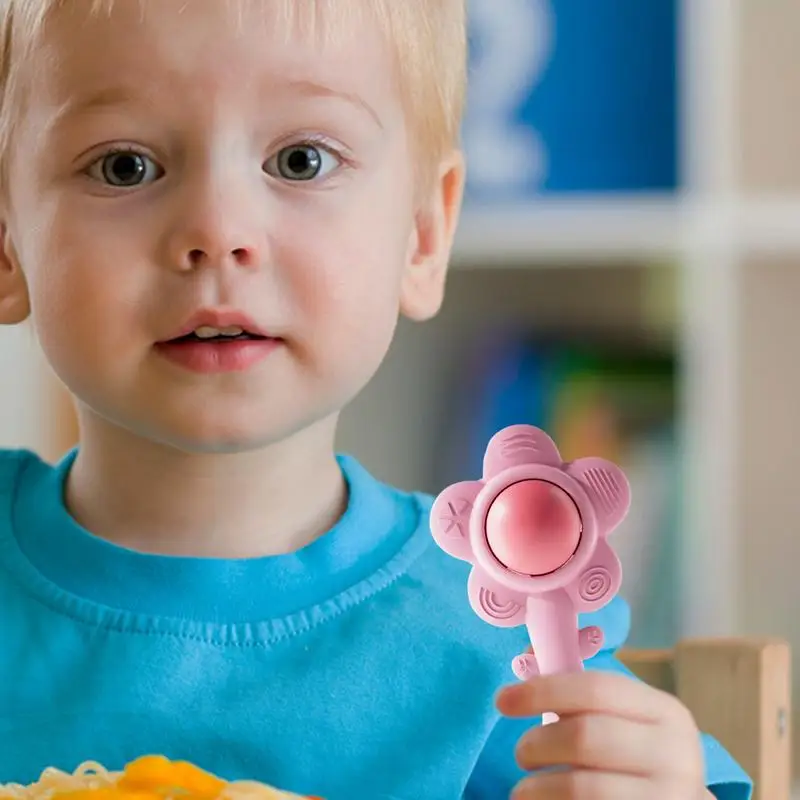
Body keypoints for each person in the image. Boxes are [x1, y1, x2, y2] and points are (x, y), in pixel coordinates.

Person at [0, 1, 750, 798]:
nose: (217, 230)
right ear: (8, 240)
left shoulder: (511, 638)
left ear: (425, 233)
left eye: (300, 162)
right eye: (125, 166)